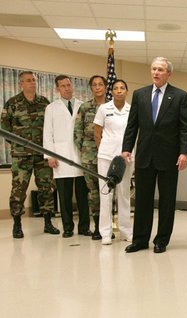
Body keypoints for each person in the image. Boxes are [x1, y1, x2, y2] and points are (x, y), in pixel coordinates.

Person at [122, 57, 187, 254]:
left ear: (168, 74)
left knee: (167, 200)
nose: (156, 73)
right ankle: (140, 240)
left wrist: (184, 153)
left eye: (160, 70)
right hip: (145, 155)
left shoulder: (180, 96)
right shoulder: (139, 94)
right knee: (143, 200)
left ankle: (161, 240)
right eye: (154, 69)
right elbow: (132, 125)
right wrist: (126, 147)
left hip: (169, 157)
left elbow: (185, 128)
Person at [1, 71, 60, 238]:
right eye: (28, 80)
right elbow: (5, 130)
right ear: (21, 84)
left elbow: (52, 128)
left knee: (46, 188)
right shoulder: (12, 103)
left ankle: (48, 222)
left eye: (34, 80)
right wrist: (19, 146)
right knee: (18, 190)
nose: (32, 83)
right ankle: (17, 225)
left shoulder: (45, 103)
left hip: (43, 154)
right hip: (21, 156)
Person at [43, 75, 91, 238]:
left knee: (83, 196)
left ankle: (84, 227)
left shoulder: (82, 106)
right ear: (57, 89)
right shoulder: (51, 108)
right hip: (60, 157)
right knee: (64, 197)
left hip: (80, 156)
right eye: (63, 86)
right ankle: (68, 228)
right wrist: (50, 155)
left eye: (69, 85)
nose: (67, 88)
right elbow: (47, 134)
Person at [94, 79, 134, 245]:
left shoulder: (132, 110)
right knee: (106, 195)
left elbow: (134, 134)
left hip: (126, 158)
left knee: (124, 195)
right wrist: (103, 150)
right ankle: (105, 233)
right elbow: (97, 133)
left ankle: (125, 232)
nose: (119, 91)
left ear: (126, 91)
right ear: (111, 92)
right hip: (106, 157)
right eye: (116, 88)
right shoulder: (104, 108)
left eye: (122, 88)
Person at [74, 75, 106, 240]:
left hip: (109, 154)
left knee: (108, 191)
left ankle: (108, 226)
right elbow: (78, 131)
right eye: (94, 85)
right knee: (93, 191)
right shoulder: (85, 107)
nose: (98, 87)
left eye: (101, 84)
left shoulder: (112, 106)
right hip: (90, 155)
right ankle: (97, 227)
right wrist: (84, 149)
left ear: (105, 87)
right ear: (91, 88)